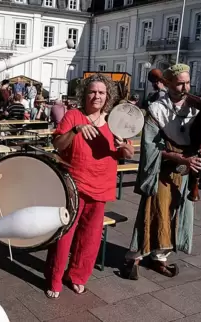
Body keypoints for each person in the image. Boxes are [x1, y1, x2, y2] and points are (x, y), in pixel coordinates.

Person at [123, 64, 201, 280]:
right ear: (168, 83)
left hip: (189, 168)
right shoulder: (156, 110)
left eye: (187, 82)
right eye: (180, 83)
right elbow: (150, 147)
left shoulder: (197, 106)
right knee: (154, 210)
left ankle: (160, 257)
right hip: (163, 167)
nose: (185, 87)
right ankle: (134, 256)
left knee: (175, 212)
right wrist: (178, 157)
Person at [44, 73, 135, 299]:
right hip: (74, 185)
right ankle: (55, 278)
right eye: (92, 92)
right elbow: (57, 143)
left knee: (90, 238)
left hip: (101, 186)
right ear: (84, 93)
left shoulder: (116, 121)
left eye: (101, 93)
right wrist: (76, 131)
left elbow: (130, 153)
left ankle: (77, 276)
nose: (97, 96)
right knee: (64, 235)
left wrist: (123, 146)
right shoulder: (74, 116)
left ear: (108, 96)